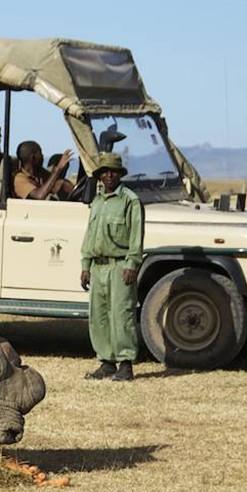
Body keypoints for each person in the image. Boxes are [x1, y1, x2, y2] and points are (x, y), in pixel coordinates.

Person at [80, 152, 144, 382]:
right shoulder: (97, 201)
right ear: (98, 175)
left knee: (121, 315)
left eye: (113, 171)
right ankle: (106, 362)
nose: (108, 175)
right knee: (99, 316)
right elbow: (90, 235)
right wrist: (85, 265)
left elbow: (136, 236)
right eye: (104, 171)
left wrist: (132, 264)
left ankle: (125, 364)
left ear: (120, 174)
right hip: (98, 266)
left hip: (119, 266)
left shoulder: (130, 200)